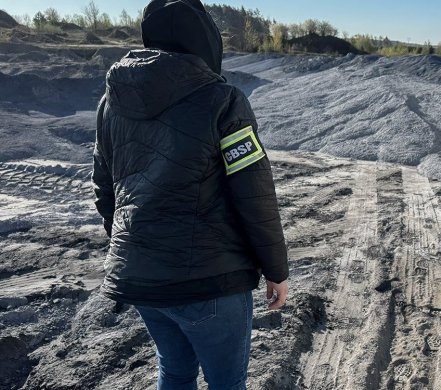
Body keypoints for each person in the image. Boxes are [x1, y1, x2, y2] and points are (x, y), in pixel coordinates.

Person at [91, 1, 289, 389]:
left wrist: (134, 251)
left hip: (140, 278)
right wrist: (276, 270)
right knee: (226, 383)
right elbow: (255, 193)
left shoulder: (112, 100)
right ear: (206, 40)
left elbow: (104, 186)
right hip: (211, 280)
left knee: (175, 370)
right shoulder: (222, 99)